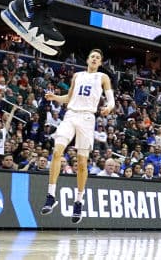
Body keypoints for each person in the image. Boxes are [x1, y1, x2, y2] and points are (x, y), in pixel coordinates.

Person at [40, 49, 114, 224]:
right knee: (57, 152)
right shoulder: (77, 75)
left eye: (98, 57)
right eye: (92, 56)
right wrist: (55, 97)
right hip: (71, 115)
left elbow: (110, 99)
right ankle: (51, 196)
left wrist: (109, 107)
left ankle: (79, 201)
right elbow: (69, 97)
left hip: (88, 118)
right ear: (87, 60)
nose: (95, 59)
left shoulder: (103, 77)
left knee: (82, 163)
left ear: (100, 62)